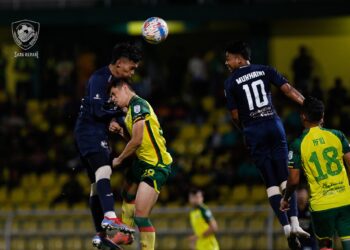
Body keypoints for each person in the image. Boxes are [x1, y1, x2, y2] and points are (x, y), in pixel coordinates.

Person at [223, 41, 309, 248]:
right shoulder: (265, 70)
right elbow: (288, 90)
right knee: (284, 177)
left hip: (254, 130)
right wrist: (307, 104)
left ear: (239, 58)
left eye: (228, 58)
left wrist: (245, 131)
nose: (226, 63)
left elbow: (235, 115)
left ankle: (286, 228)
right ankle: (296, 223)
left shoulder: (230, 82)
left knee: (271, 183)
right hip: (273, 125)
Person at [74, 43, 142, 249]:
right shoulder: (99, 78)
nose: (133, 71)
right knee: (104, 170)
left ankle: (100, 236)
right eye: (131, 67)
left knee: (96, 185)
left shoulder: (118, 81)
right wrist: (119, 115)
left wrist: (117, 122)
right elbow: (97, 110)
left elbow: (106, 112)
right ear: (119, 63)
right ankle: (110, 217)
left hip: (93, 133)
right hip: (89, 132)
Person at [108, 77, 173, 250]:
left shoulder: (138, 106)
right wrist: (122, 131)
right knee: (127, 191)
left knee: (141, 216)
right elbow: (138, 140)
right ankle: (126, 233)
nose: (113, 99)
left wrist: (118, 159)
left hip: (155, 165)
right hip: (142, 162)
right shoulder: (130, 111)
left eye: (114, 94)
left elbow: (137, 141)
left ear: (124, 88)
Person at [280, 96, 350, 250]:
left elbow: (293, 180)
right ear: (322, 116)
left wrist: (285, 198)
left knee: (325, 245)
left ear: (303, 116)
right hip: (345, 200)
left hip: (321, 206)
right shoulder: (337, 135)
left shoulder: (298, 144)